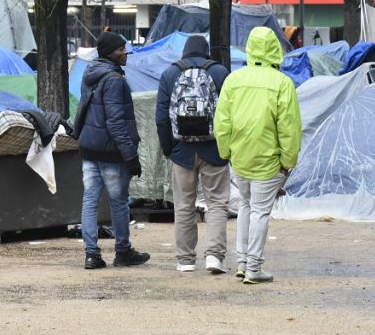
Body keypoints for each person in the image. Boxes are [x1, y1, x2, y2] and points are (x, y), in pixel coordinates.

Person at [215, 26, 301, 284]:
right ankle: (254, 267)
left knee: (245, 206)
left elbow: (222, 123)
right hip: (269, 160)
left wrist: (226, 152)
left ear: (250, 48)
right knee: (261, 212)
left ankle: (242, 262)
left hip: (240, 158)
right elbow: (289, 128)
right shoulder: (282, 84)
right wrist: (288, 162)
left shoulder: (233, 80)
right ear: (275, 48)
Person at [155, 35, 231, 274]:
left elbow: (161, 117)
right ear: (206, 51)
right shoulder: (220, 72)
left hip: (181, 151)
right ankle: (214, 257)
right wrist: (227, 148)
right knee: (217, 204)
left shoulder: (169, 74)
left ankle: (186, 260)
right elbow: (230, 113)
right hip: (215, 150)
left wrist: (169, 148)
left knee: (184, 205)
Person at [77, 31, 150, 269]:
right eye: (121, 49)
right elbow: (116, 122)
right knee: (118, 202)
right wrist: (130, 156)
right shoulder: (114, 80)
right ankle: (123, 251)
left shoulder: (90, 74)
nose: (125, 52)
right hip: (111, 152)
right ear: (110, 53)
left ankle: (92, 254)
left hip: (89, 149)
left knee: (90, 201)